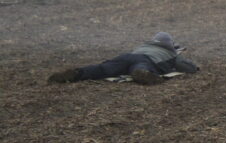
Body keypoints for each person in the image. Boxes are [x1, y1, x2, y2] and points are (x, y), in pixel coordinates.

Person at [48, 32, 199, 85]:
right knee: (141, 67)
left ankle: (77, 73)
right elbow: (186, 67)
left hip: (128, 56)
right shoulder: (171, 52)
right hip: (146, 60)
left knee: (103, 68)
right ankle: (142, 74)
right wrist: (194, 67)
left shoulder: (144, 44)